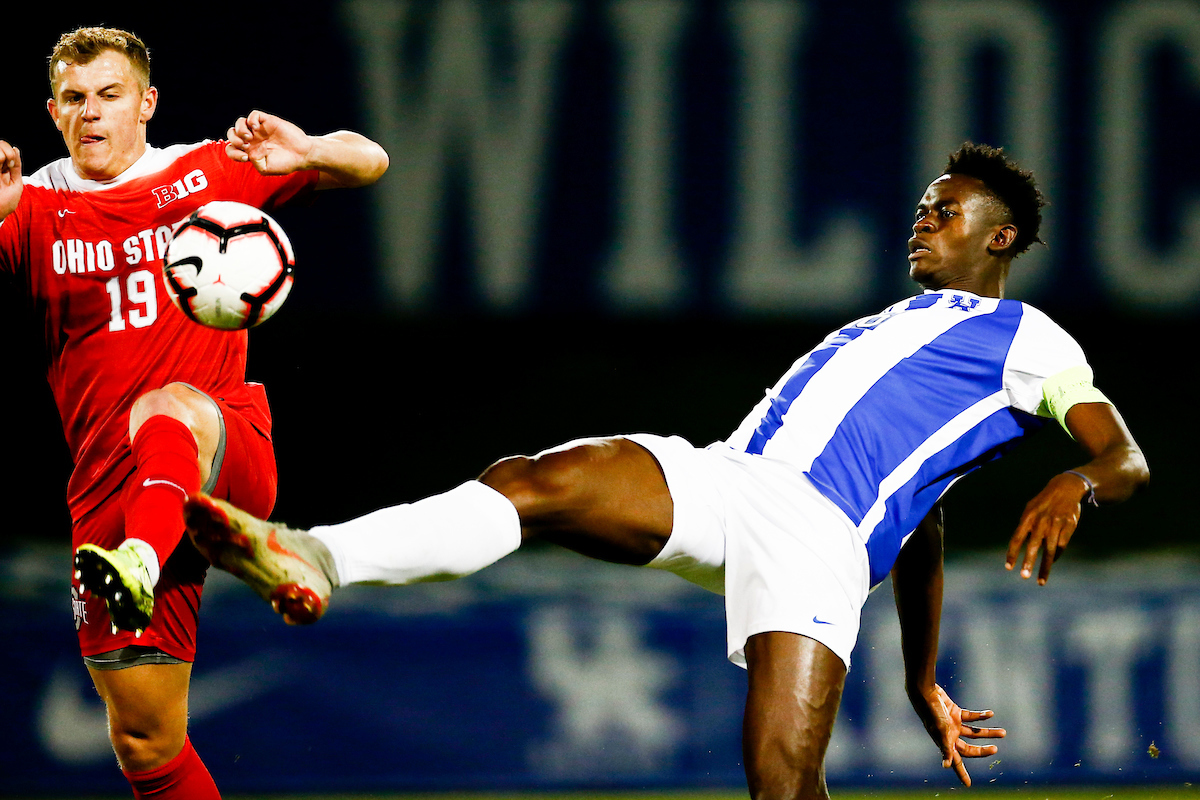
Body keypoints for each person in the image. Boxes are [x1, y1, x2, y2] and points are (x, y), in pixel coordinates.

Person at [184, 142, 1149, 798]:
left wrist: (1078, 482)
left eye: (944, 212)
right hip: (731, 480)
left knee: (782, 786)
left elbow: (1123, 458)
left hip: (816, 542)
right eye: (922, 207)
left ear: (1002, 237)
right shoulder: (896, 323)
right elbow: (926, 521)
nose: (922, 221)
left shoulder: (1029, 339)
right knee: (533, 481)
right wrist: (921, 676)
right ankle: (313, 554)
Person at [0, 26, 387, 800]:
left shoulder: (205, 172)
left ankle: (152, 557)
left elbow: (370, 159)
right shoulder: (32, 209)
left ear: (146, 102)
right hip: (110, 488)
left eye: (110, 95)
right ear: (52, 112)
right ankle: (157, 554)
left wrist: (306, 148)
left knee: (169, 402)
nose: (92, 114)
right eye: (74, 99)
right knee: (146, 743)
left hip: (223, 453)